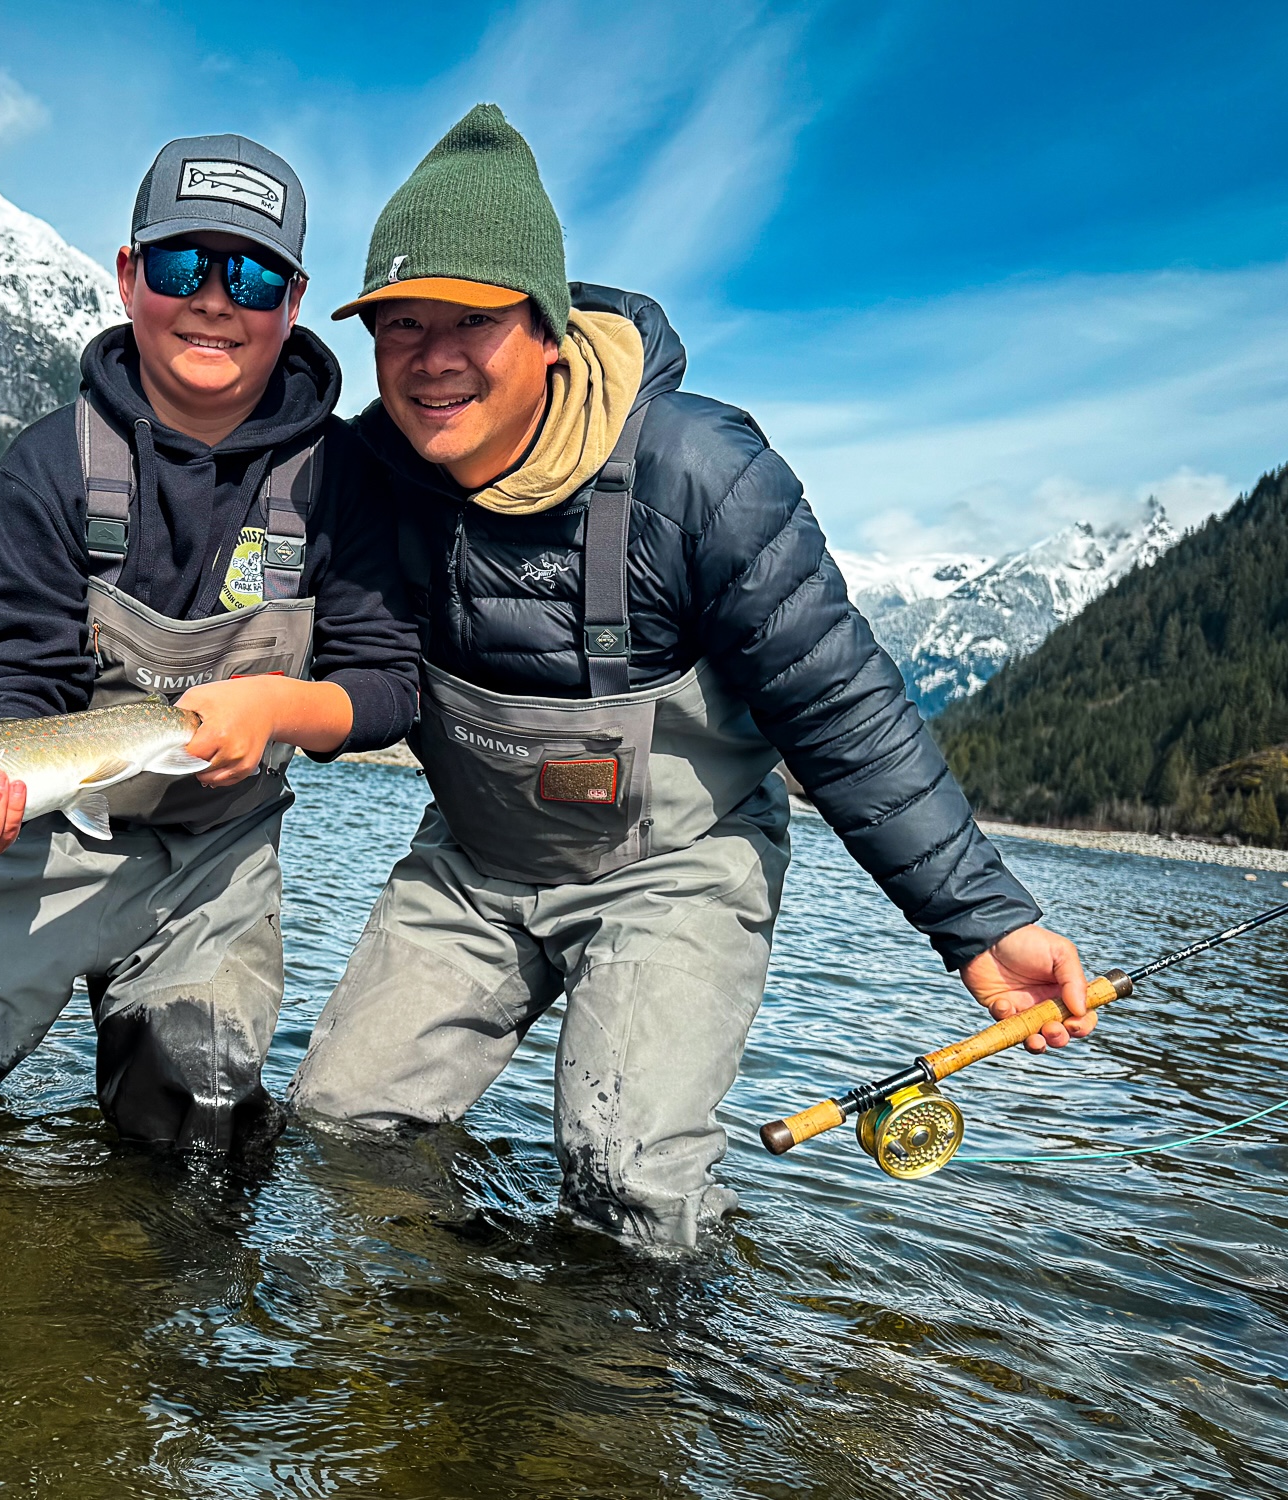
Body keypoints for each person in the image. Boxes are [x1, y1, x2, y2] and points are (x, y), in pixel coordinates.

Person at [287, 105, 1094, 1244]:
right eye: (400, 323)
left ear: (548, 327)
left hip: (677, 866)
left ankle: (641, 1343)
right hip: (476, 861)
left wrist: (981, 924)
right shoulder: (370, 473)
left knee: (626, 1178)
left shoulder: (700, 474)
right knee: (337, 1127)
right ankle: (440, 1326)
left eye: (472, 319)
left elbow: (841, 710)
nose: (431, 357)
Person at [0, 134, 419, 1152]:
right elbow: (19, 669)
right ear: (130, 276)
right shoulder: (44, 469)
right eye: (182, 266)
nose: (214, 300)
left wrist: (276, 707)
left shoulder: (345, 481)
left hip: (214, 860)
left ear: (294, 302)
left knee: (195, 1155)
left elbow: (387, 686)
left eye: (252, 276)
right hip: (34, 842)